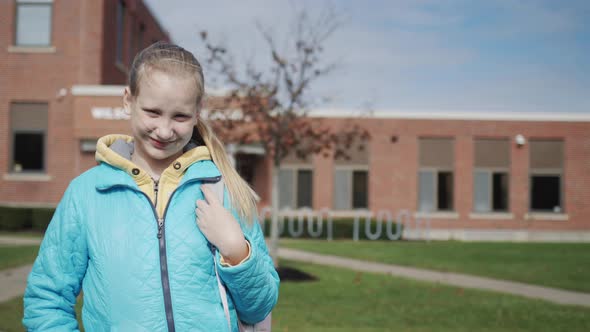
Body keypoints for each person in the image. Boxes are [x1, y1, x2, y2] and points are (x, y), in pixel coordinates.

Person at [22, 42, 279, 331]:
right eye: (153, 112)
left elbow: (260, 307)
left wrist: (237, 251)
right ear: (127, 100)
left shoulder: (225, 189)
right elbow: (46, 300)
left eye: (180, 116)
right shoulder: (86, 195)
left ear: (197, 113)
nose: (165, 130)